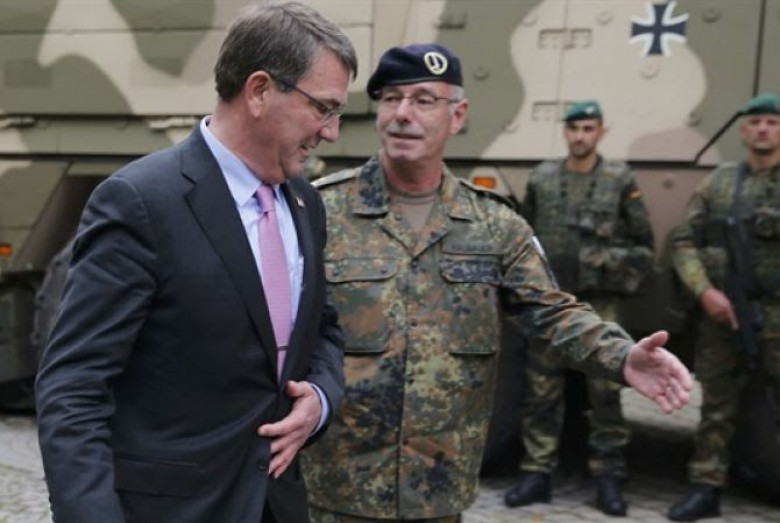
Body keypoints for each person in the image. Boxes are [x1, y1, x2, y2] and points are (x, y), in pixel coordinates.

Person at [300, 43, 691, 523]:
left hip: (437, 488)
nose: (403, 113)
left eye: (423, 100)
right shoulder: (320, 211)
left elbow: (553, 312)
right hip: (336, 484)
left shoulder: (495, 225)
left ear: (458, 115)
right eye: (391, 98)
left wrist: (623, 356)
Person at [34, 3, 356, 522]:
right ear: (259, 90)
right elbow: (74, 387)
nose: (332, 131)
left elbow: (323, 330)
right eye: (323, 108)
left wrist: (320, 398)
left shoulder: (304, 202)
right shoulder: (141, 201)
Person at [504, 100, 655, 516]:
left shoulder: (619, 180)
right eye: (574, 128)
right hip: (549, 303)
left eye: (588, 128)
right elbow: (526, 238)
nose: (580, 136)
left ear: (601, 132)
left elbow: (643, 248)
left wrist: (600, 265)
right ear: (565, 132)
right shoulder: (543, 178)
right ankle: (537, 472)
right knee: (541, 392)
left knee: (606, 392)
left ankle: (609, 474)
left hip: (599, 305)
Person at [667, 92, 780, 522]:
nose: (763, 129)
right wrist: (705, 292)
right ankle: (706, 486)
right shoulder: (719, 183)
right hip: (725, 315)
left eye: (772, 122)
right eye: (756, 122)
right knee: (716, 406)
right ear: (743, 131)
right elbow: (683, 241)